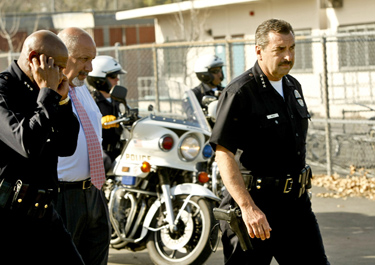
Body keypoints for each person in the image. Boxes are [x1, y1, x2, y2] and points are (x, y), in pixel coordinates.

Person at [210, 19, 330, 265]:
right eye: (279, 50)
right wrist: (248, 207)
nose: (288, 56)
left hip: (296, 207)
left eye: (292, 48)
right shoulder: (240, 93)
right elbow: (223, 154)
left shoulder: (292, 86)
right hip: (255, 209)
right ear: (259, 51)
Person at [0, 30, 84, 264]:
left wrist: (63, 101)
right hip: (7, 219)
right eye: (57, 66)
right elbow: (26, 142)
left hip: (44, 215)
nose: (61, 74)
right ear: (34, 58)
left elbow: (67, 145)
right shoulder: (4, 91)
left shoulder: (46, 92)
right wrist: (47, 94)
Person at [55, 27, 111, 265]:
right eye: (84, 59)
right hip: (63, 198)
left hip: (95, 193)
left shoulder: (82, 89)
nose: (90, 67)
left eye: (92, 60)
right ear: (62, 56)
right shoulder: (47, 93)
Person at [87, 55, 127, 172]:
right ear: (100, 80)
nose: (117, 80)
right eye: (113, 76)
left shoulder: (117, 99)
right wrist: (99, 122)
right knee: (103, 161)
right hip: (100, 150)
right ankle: (98, 189)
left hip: (117, 148)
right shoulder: (90, 101)